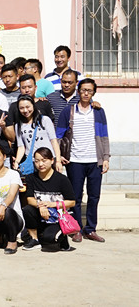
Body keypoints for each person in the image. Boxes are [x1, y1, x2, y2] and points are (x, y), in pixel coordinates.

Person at [56, 78, 110, 243]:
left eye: (89, 91)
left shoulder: (98, 111)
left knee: (94, 196)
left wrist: (106, 158)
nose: (86, 93)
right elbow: (59, 136)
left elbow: (104, 136)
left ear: (93, 93)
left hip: (95, 160)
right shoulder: (68, 111)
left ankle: (91, 229)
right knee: (76, 196)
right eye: (83, 90)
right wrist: (60, 155)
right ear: (78, 91)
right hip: (75, 161)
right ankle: (77, 229)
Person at [22, 147, 76, 252]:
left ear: (52, 160)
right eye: (37, 161)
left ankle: (62, 237)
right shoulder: (31, 178)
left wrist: (51, 205)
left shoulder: (62, 179)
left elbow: (72, 202)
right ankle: (34, 239)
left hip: (58, 217)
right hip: (40, 215)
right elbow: (29, 199)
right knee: (27, 209)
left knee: (49, 239)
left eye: (44, 160)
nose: (40, 164)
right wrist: (41, 206)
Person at [13, 95, 62, 174]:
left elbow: (53, 141)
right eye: (21, 108)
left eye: (28, 107)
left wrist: (58, 161)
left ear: (33, 106)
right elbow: (21, 147)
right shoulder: (18, 125)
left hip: (48, 160)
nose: (25, 110)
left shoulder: (44, 120)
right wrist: (16, 162)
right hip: (33, 162)